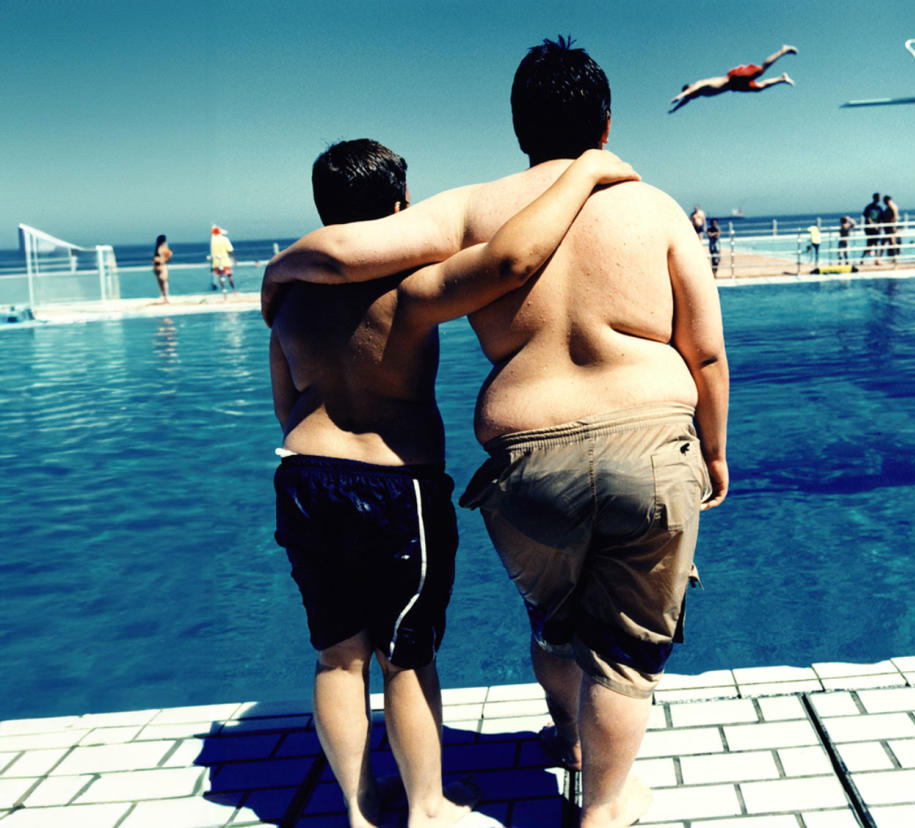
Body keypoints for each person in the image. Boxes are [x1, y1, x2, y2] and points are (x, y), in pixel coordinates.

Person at [263, 37, 728, 828]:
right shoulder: (651, 207)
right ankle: (603, 806)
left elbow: (343, 257)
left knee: (548, 620)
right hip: (646, 448)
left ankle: (538, 744)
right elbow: (707, 351)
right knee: (618, 652)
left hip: (517, 463)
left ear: (517, 124)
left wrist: (275, 276)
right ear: (607, 123)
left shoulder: (472, 208)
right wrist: (715, 451)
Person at [271, 138, 637, 828]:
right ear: (399, 208)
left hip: (303, 477)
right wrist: (586, 169)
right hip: (394, 484)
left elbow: (283, 401)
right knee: (405, 655)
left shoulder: (288, 303)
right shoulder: (410, 288)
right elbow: (509, 258)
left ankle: (357, 810)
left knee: (336, 655)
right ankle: (428, 808)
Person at [668, 45, 796, 113]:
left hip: (733, 78)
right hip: (734, 87)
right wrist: (675, 109)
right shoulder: (698, 94)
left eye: (690, 95)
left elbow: (689, 93)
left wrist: (678, 96)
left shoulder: (698, 85)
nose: (692, 98)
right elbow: (686, 100)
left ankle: (782, 50)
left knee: (760, 71)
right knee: (759, 88)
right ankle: (781, 79)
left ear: (689, 88)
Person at [210, 225, 237, 293]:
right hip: (225, 261)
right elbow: (230, 250)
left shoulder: (213, 241)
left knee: (220, 276)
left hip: (216, 262)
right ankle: (234, 290)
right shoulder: (225, 239)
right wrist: (233, 259)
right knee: (229, 276)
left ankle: (223, 290)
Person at [860, 193, 884, 262]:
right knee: (869, 244)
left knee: (876, 243)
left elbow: (881, 218)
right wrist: (873, 225)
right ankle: (862, 258)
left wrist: (879, 227)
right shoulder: (869, 207)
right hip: (870, 229)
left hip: (876, 229)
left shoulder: (879, 208)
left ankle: (877, 259)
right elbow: (867, 217)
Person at [152, 235, 172, 303]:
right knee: (163, 282)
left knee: (161, 282)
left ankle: (164, 297)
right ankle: (165, 297)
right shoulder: (163, 248)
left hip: (158, 266)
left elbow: (168, 256)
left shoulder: (159, 248)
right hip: (161, 266)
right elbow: (169, 256)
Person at [881, 195, 901, 263]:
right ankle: (894, 257)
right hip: (888, 227)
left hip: (891, 227)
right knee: (887, 242)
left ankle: (894, 257)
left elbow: (895, 217)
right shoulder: (889, 207)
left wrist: (890, 224)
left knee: (890, 242)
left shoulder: (893, 207)